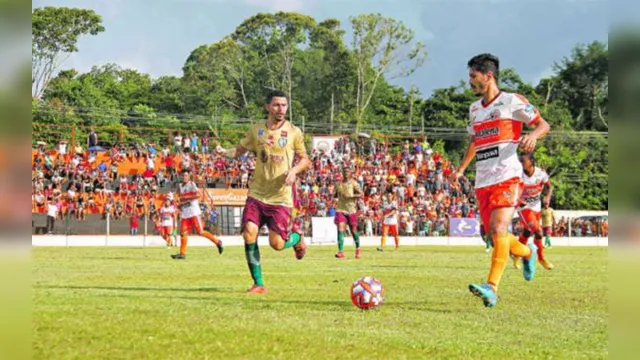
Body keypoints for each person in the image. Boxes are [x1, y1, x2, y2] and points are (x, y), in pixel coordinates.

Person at [454, 53, 550, 307]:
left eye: (473, 76)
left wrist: (534, 136)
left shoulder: (512, 101)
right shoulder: (474, 110)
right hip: (483, 180)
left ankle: (491, 287)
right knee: (493, 235)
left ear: (488, 76)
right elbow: (474, 141)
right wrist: (462, 169)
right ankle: (527, 253)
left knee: (498, 230)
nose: (470, 82)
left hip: (507, 176)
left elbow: (542, 124)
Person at [216, 90, 311, 294]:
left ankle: (297, 238)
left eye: (284, 105)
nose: (281, 109)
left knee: (276, 244)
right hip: (257, 193)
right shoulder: (256, 130)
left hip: (281, 197)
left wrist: (294, 170)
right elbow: (238, 151)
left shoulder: (294, 132)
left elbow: (305, 159)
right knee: (249, 233)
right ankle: (258, 284)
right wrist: (225, 152)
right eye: (276, 105)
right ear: (267, 107)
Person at [171, 169, 223, 259]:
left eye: (186, 175)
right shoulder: (180, 186)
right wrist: (178, 204)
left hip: (194, 212)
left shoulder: (191, 184)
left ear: (189, 176)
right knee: (183, 233)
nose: (184, 177)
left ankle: (217, 242)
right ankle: (182, 254)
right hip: (186, 214)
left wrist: (185, 197)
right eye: (183, 176)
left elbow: (198, 195)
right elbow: (178, 197)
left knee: (200, 232)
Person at [514, 153, 554, 270]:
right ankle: (541, 258)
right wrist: (518, 199)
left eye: (523, 161)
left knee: (527, 232)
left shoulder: (540, 174)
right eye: (520, 161)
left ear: (531, 161)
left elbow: (549, 187)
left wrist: (547, 197)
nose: (521, 164)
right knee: (538, 231)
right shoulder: (518, 175)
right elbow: (511, 189)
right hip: (523, 207)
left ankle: (517, 255)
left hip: (536, 206)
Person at [334, 169, 363, 259]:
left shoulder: (354, 183)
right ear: (342, 173)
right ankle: (340, 251)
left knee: (353, 230)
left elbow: (361, 194)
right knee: (340, 229)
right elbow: (335, 194)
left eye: (347, 172)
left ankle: (358, 248)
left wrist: (352, 196)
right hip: (340, 209)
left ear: (350, 174)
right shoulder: (338, 184)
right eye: (344, 172)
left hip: (351, 209)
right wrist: (335, 198)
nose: (346, 173)